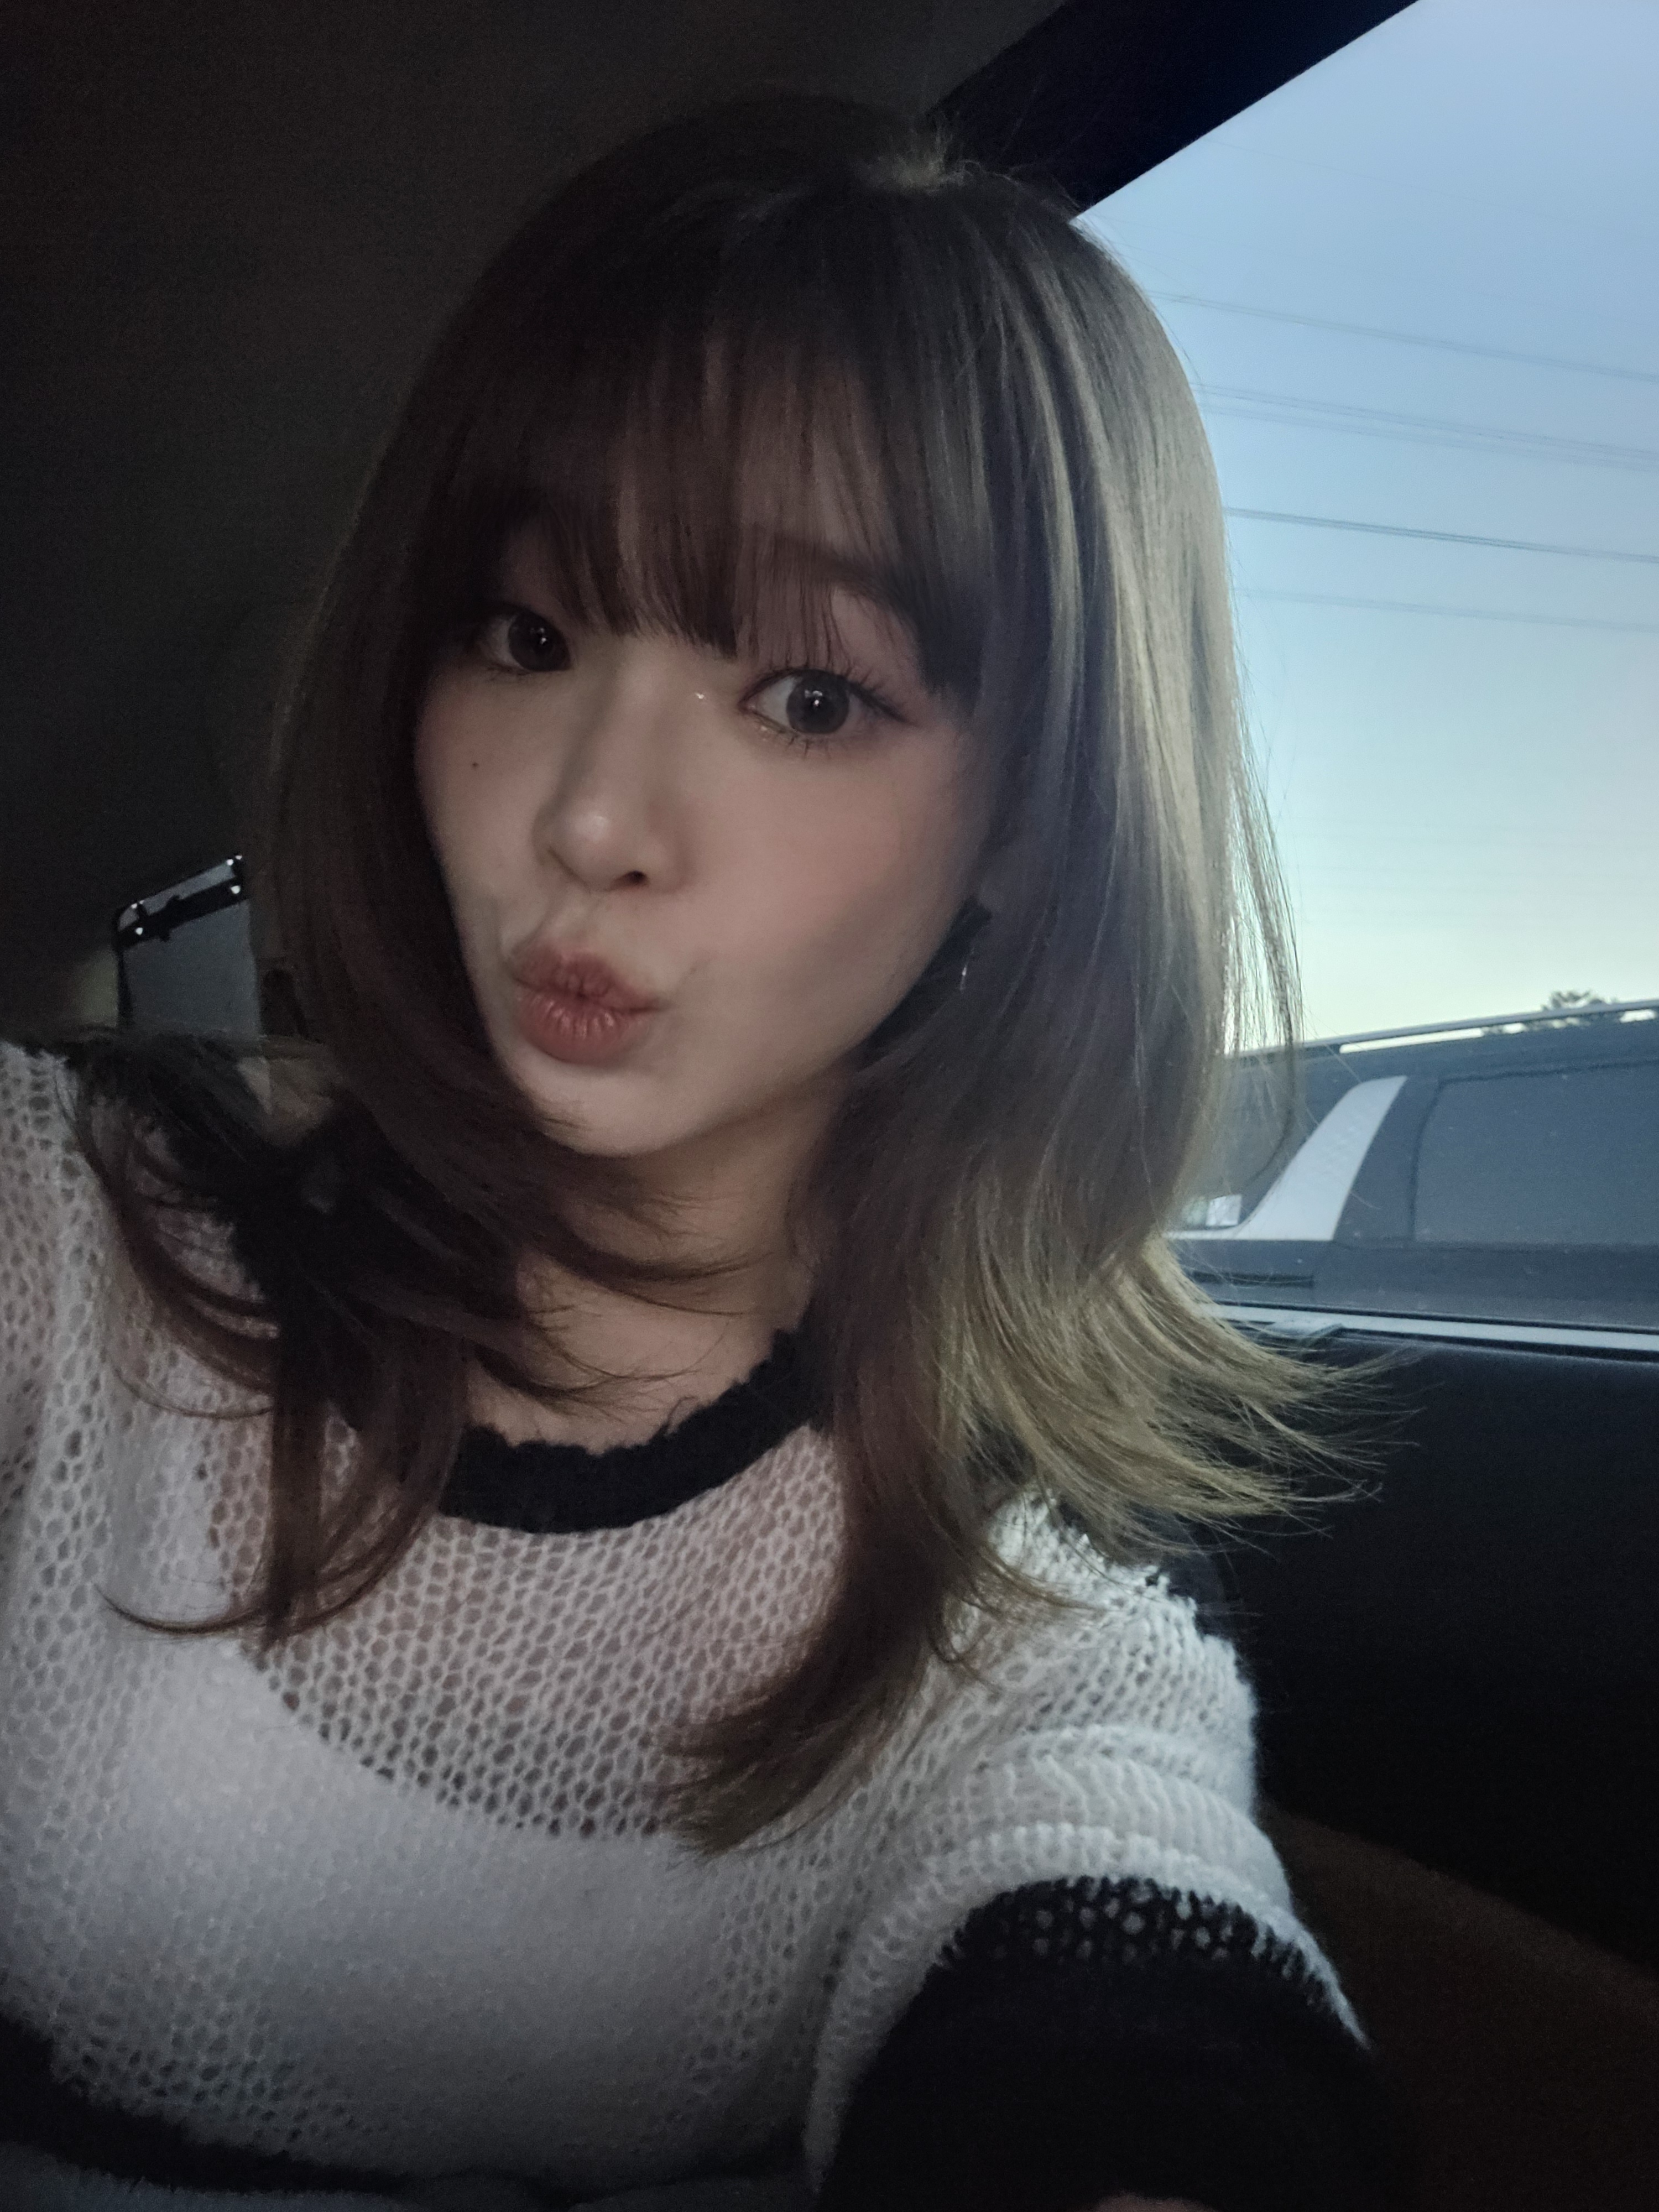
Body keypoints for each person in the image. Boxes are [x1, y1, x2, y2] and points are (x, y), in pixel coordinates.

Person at [0, 95, 1400, 2212]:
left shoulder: (1028, 1580)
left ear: (1033, 821)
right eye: (529, 636)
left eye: (810, 698)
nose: (590, 820)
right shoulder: (84, 1226)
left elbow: (1128, 1946)